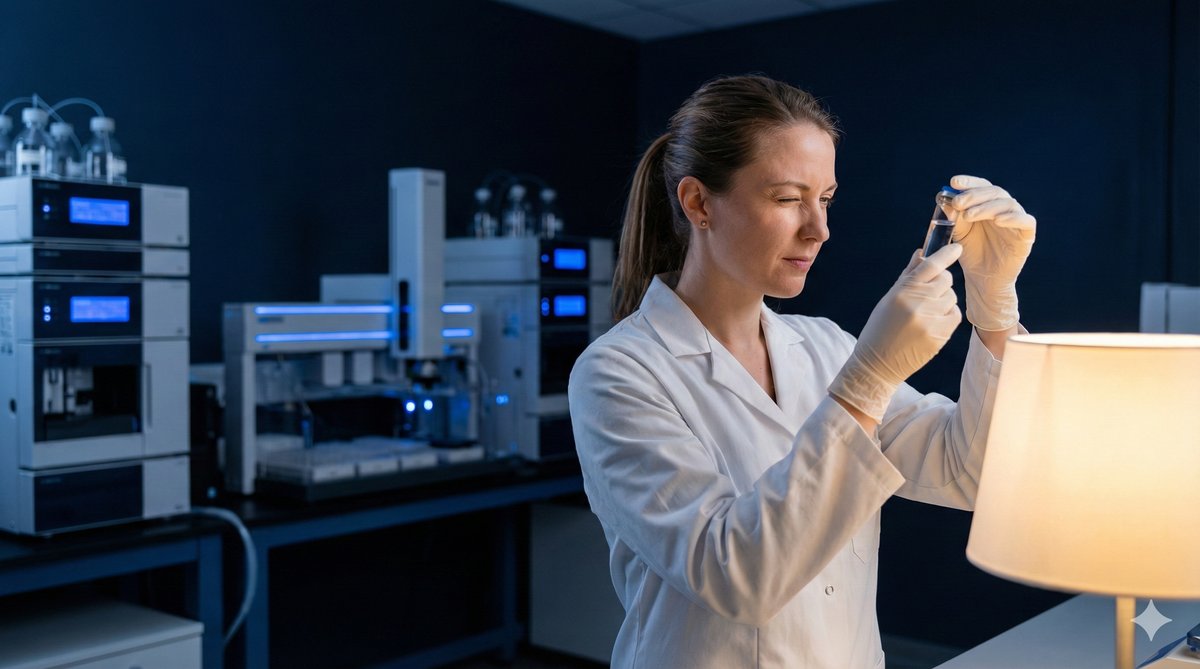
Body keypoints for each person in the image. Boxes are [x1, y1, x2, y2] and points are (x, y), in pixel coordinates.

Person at [567, 74, 1036, 669]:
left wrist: (994, 305)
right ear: (698, 202)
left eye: (826, 199)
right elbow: (737, 576)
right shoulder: (618, 374)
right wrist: (867, 380)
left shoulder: (823, 347)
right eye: (788, 199)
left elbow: (971, 475)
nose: (819, 229)